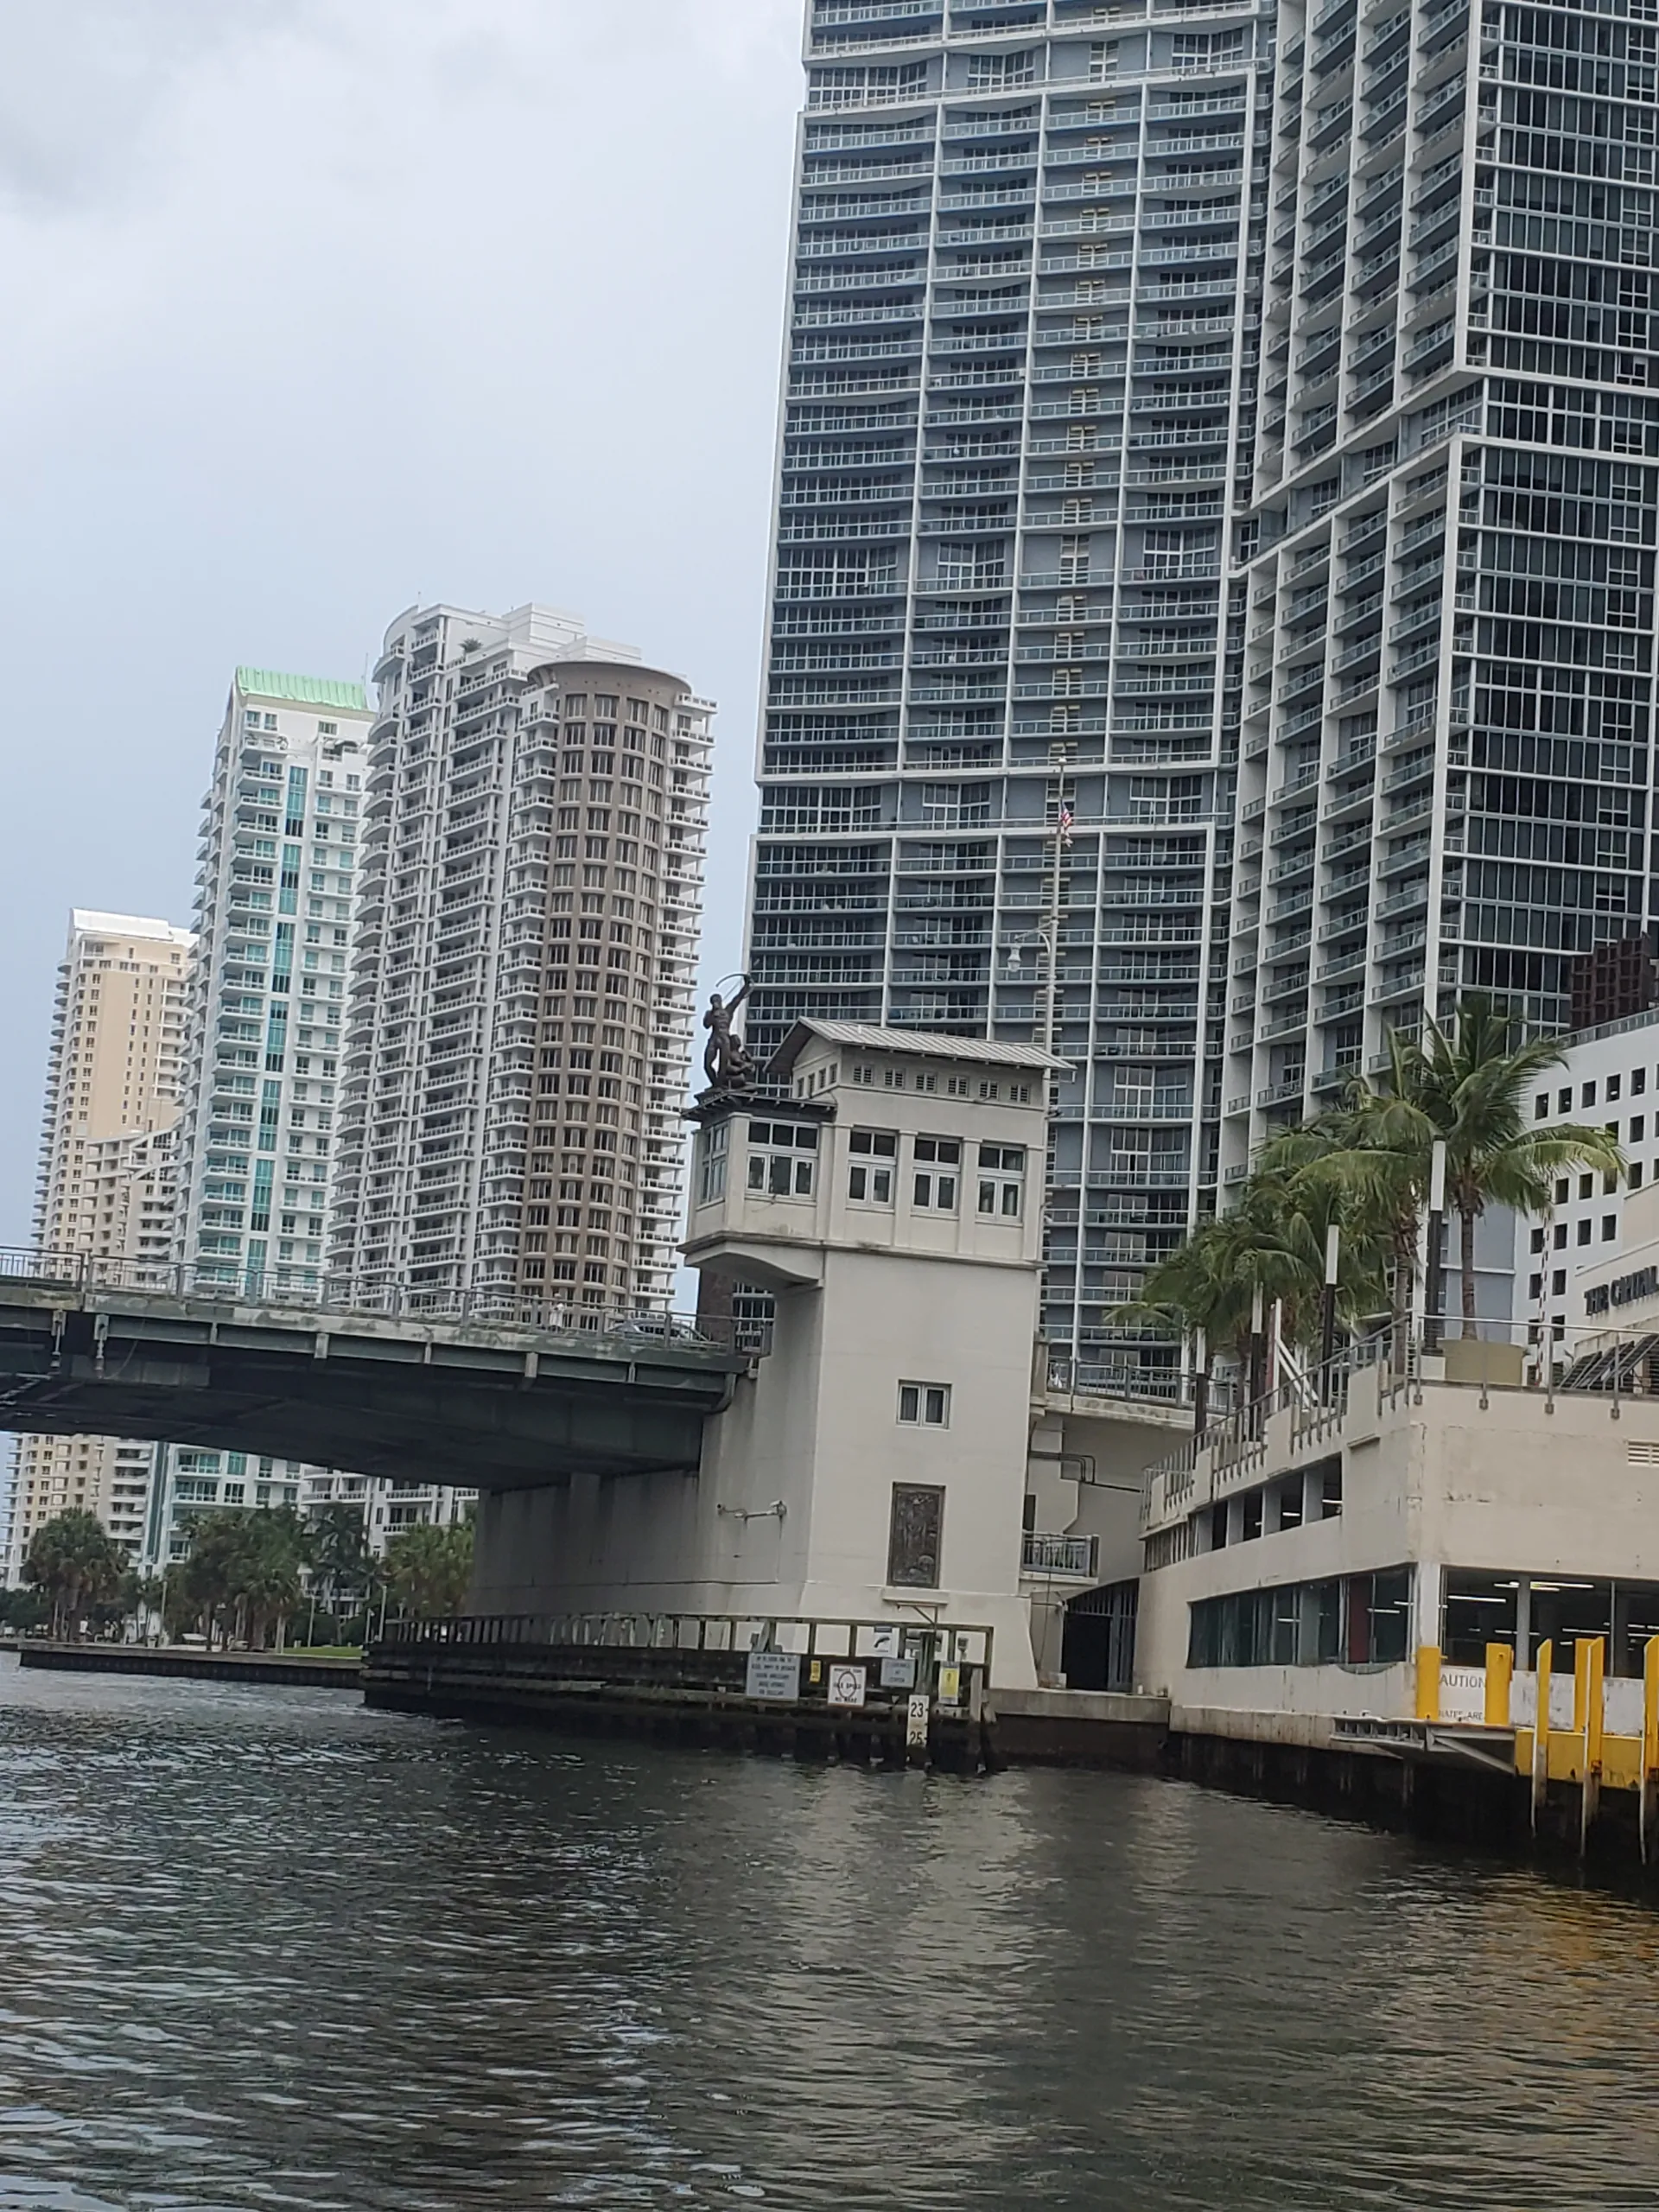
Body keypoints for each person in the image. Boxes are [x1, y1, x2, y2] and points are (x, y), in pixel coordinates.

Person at [702, 976, 753, 1090]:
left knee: (723, 1066)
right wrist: (712, 1013)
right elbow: (706, 1025)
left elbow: (738, 999)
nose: (716, 1003)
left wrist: (746, 985)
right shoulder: (710, 1014)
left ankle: (720, 1086)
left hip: (725, 1039)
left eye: (717, 1001)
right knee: (707, 1064)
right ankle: (715, 1084)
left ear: (720, 1001)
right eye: (713, 1002)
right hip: (714, 1039)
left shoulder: (728, 1011)